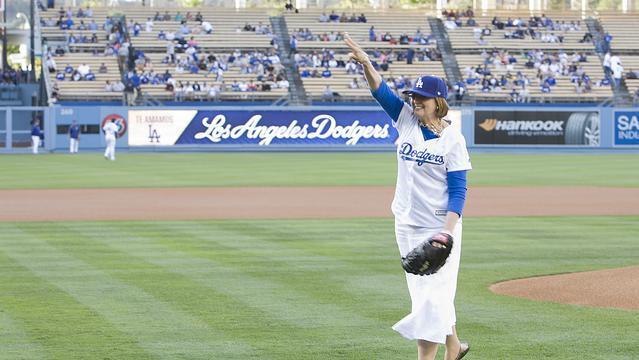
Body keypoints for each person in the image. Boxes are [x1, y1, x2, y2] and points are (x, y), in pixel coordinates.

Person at [345, 33, 471, 360]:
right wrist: (367, 64)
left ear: (438, 102)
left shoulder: (453, 140)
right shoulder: (407, 122)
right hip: (406, 224)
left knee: (431, 300)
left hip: (439, 228)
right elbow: (381, 92)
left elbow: (458, 191)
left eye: (422, 98)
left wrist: (446, 231)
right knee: (427, 296)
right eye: (414, 96)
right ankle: (454, 346)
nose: (415, 102)